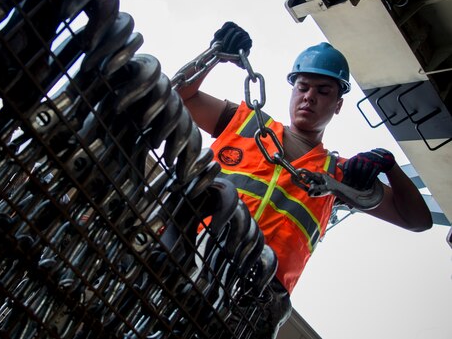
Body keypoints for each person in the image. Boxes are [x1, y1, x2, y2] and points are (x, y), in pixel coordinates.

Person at [176, 22, 433, 338]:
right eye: (303, 87)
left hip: (251, 301)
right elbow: (177, 95)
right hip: (188, 255)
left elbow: (417, 220)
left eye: (323, 91)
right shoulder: (243, 123)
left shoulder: (340, 177)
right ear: (293, 90)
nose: (309, 97)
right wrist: (214, 55)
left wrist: (389, 165)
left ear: (338, 105)